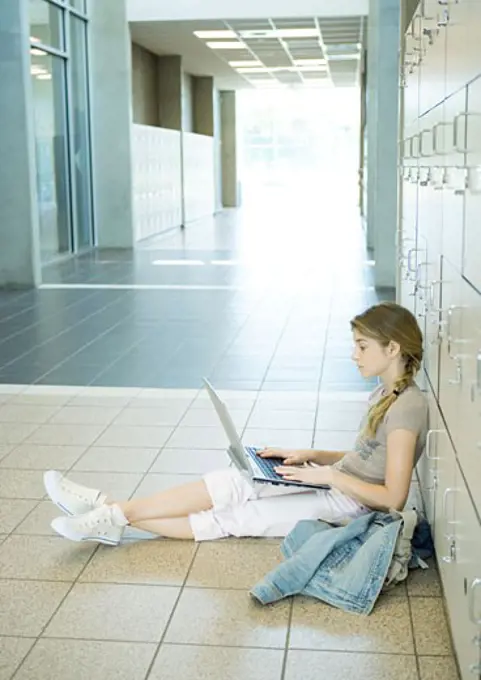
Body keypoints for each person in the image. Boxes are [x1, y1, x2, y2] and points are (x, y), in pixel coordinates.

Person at [44, 301, 429, 546]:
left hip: (351, 506)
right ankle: (110, 514)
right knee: (234, 480)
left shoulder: (407, 408)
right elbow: (370, 458)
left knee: (232, 517)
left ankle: (104, 510)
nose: (353, 355)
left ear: (392, 348)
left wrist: (329, 477)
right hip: (337, 481)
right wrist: (310, 455)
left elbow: (393, 497)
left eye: (362, 346)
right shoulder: (384, 395)